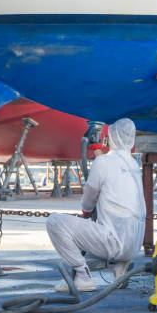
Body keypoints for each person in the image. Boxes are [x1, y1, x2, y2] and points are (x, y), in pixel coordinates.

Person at [46, 118, 146, 291]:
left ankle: (83, 277)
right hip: (133, 245)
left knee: (55, 222)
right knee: (94, 244)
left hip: (114, 241)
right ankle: (120, 269)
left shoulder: (104, 162)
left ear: (110, 138)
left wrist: (86, 212)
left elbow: (88, 200)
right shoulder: (133, 165)